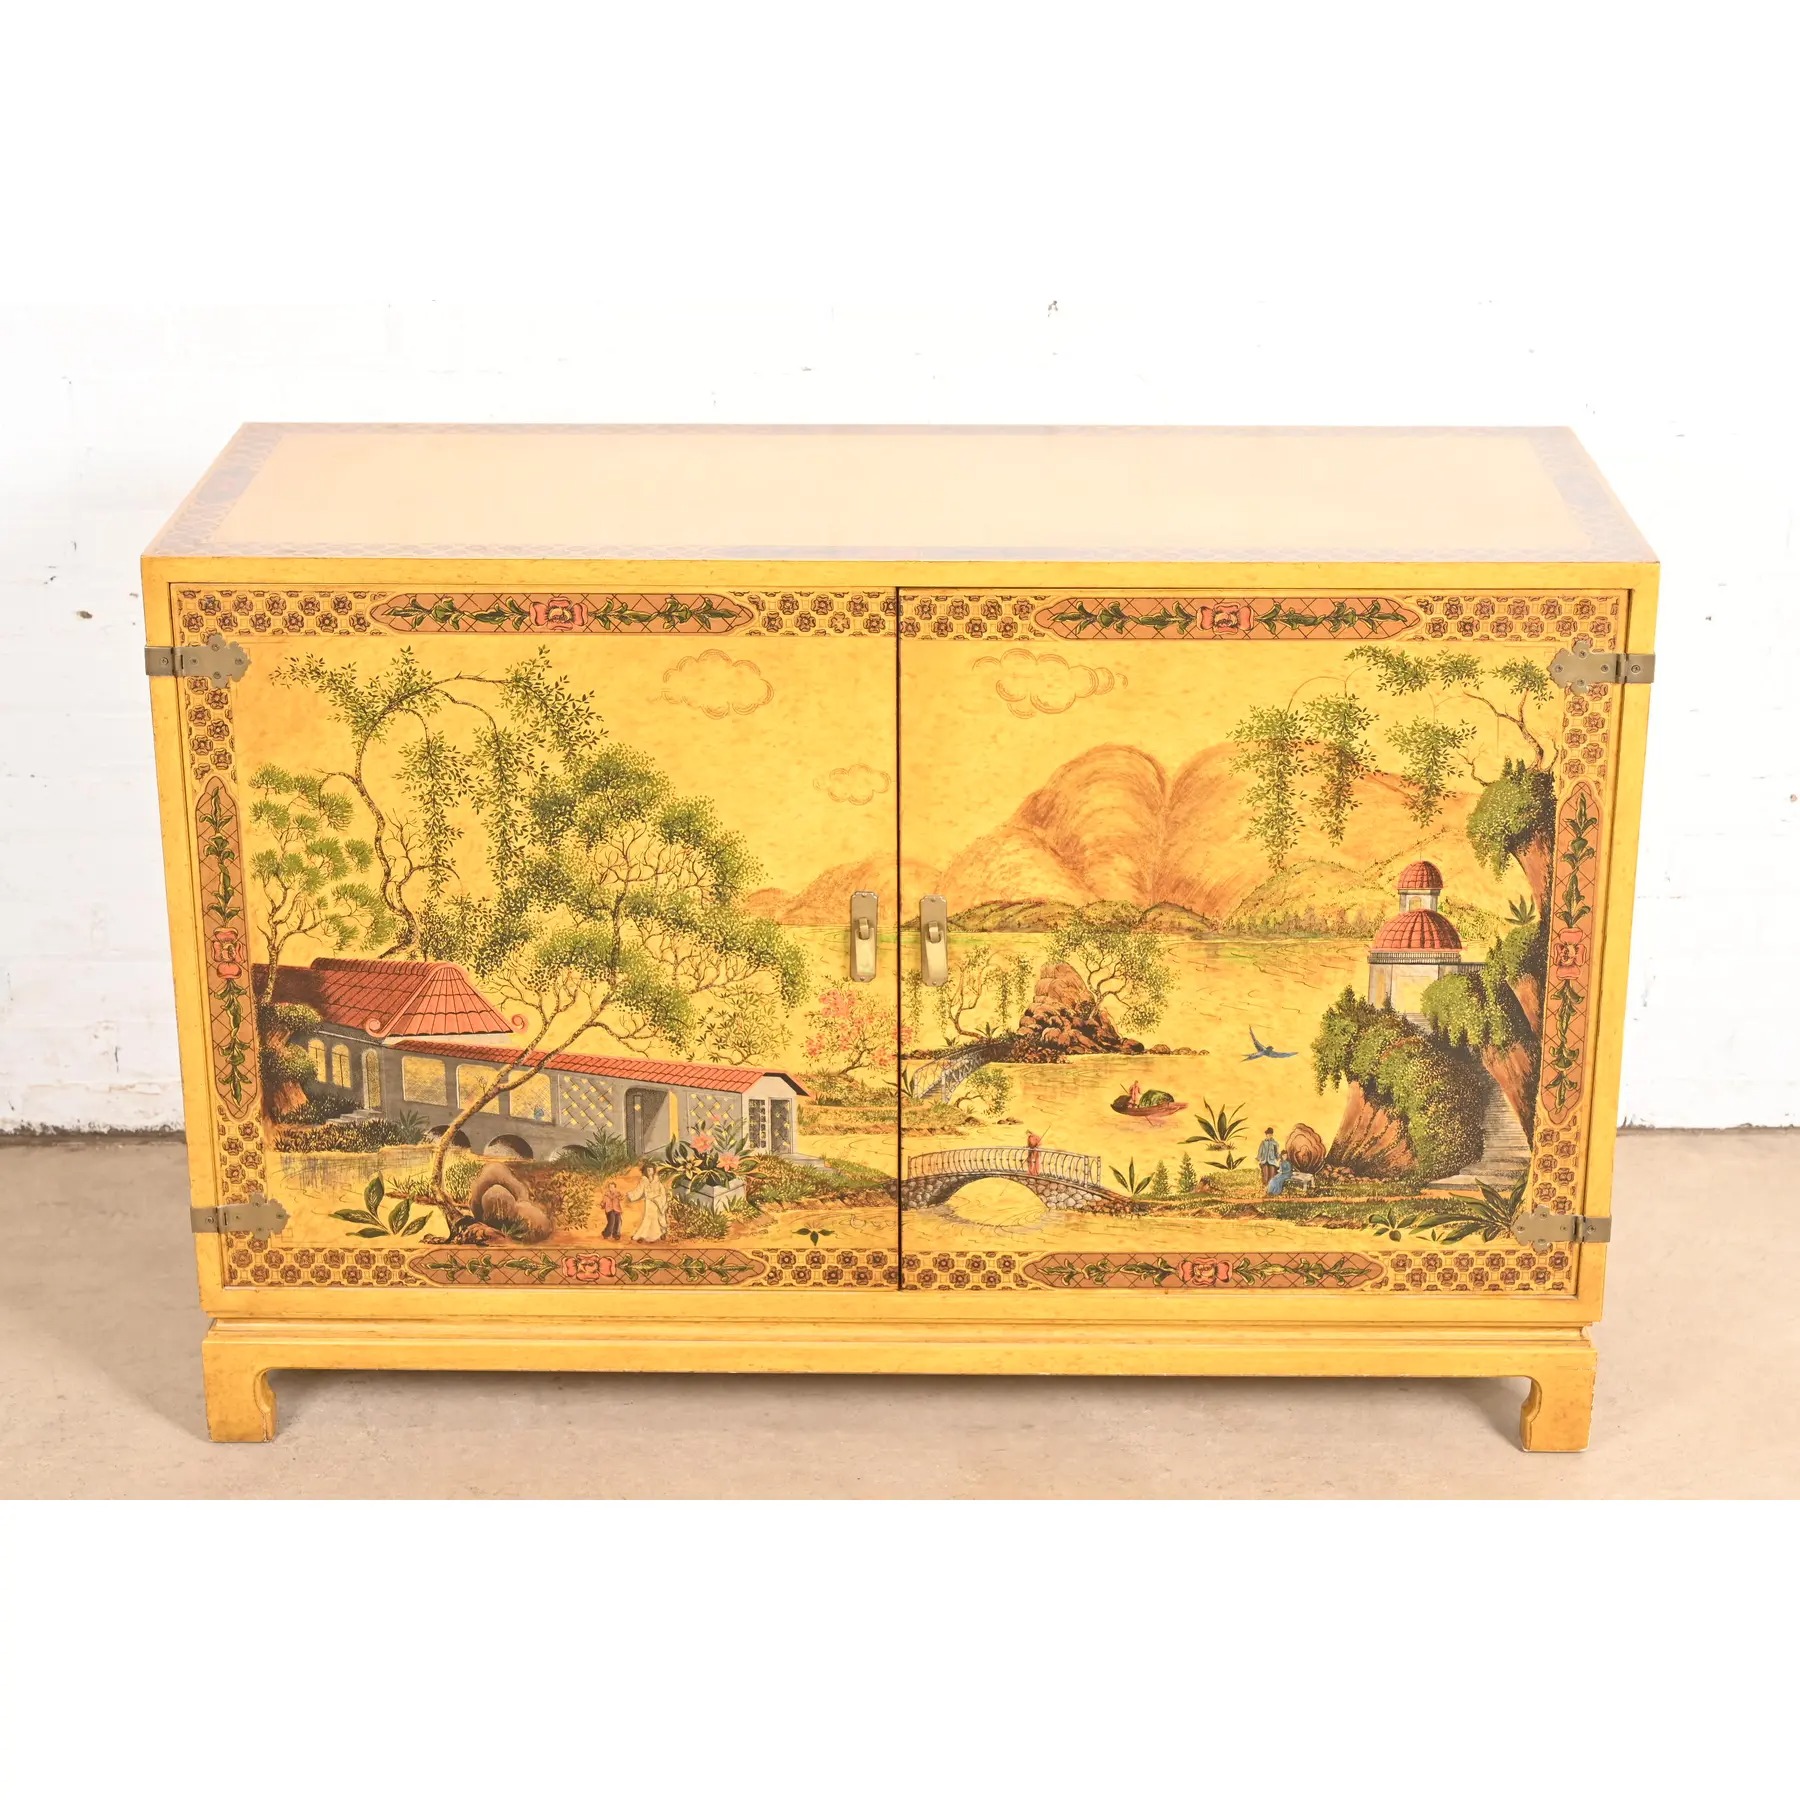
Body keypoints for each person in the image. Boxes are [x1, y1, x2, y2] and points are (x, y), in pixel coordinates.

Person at [631, 1162, 670, 1243]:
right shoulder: (643, 1180)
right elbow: (639, 1190)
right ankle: (643, 1235)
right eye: (648, 1170)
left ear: (653, 1171)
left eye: (651, 1170)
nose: (649, 1172)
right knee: (647, 1218)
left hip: (657, 1202)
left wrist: (662, 1199)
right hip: (649, 1202)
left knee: (657, 1217)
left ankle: (659, 1234)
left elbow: (662, 1191)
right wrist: (631, 1195)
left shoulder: (657, 1180)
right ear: (645, 1171)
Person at [1257, 1127, 1281, 1193]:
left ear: (1272, 1135)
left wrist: (1278, 1158)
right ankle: (1264, 1189)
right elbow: (1260, 1151)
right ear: (1266, 1135)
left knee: (1272, 1175)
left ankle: (1271, 1189)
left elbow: (1277, 1152)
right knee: (1265, 1175)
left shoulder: (1275, 1143)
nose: (1269, 1135)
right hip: (1264, 1161)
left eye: (1270, 1134)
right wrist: (1258, 1158)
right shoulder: (1263, 1143)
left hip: (1272, 1161)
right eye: (1268, 1134)